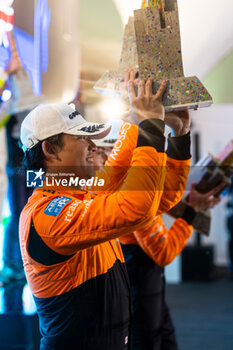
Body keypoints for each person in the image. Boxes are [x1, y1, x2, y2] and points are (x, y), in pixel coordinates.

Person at [19, 76, 185, 350]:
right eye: (83, 138)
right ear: (50, 150)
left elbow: (162, 199)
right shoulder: (46, 215)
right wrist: (151, 126)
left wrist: (176, 136)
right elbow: (136, 209)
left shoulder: (82, 193)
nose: (94, 147)